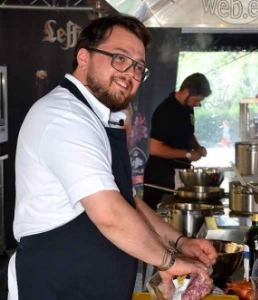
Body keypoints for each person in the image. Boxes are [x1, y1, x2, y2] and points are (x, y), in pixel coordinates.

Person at [7, 15, 217, 300]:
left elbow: (128, 202)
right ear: (84, 57)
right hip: (56, 285)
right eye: (120, 58)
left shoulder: (97, 117)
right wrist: (169, 261)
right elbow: (110, 215)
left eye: (139, 67)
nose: (131, 74)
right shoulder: (63, 116)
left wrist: (179, 242)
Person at [143, 73, 212, 210]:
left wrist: (197, 148)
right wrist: (187, 154)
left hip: (179, 173)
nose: (199, 104)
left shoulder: (188, 108)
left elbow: (189, 132)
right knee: (162, 216)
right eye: (197, 100)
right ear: (187, 92)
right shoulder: (166, 111)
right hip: (162, 177)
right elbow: (155, 148)